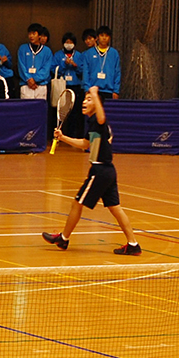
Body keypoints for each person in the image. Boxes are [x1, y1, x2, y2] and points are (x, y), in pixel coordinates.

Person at [42, 86, 142, 256]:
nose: (84, 102)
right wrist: (63, 137)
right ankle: (133, 244)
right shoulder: (93, 125)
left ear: (97, 104)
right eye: (85, 99)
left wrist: (95, 94)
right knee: (115, 207)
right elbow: (85, 144)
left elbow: (102, 117)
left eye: (89, 100)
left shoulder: (99, 120)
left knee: (77, 203)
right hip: (108, 171)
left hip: (100, 171)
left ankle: (63, 239)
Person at [54, 32, 85, 138]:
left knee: (75, 111)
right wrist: (64, 64)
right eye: (67, 42)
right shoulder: (58, 55)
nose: (69, 44)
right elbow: (53, 70)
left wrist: (75, 65)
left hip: (76, 86)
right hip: (62, 86)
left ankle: (73, 134)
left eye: (71, 42)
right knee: (61, 111)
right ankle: (59, 134)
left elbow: (83, 71)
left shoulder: (79, 55)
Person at [17, 22, 53, 100]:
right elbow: (21, 66)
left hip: (41, 85)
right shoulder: (22, 49)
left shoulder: (47, 51)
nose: (31, 36)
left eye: (34, 33)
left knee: (39, 110)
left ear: (39, 35)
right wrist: (29, 79)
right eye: (29, 33)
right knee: (25, 110)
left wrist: (35, 79)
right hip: (26, 84)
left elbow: (46, 69)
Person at [82, 25, 120, 98]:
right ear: (97, 37)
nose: (104, 38)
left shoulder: (114, 53)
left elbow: (117, 73)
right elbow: (86, 72)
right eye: (102, 35)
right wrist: (87, 89)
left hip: (109, 91)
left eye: (107, 36)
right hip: (93, 90)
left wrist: (116, 90)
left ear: (110, 38)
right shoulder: (89, 53)